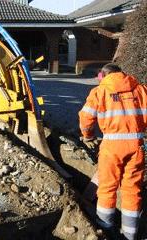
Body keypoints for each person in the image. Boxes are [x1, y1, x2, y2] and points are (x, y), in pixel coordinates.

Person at [79, 63, 146, 240]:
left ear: (104, 75)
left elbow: (85, 118)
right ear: (121, 74)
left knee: (108, 187)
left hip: (111, 147)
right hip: (136, 146)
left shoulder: (99, 92)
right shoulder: (140, 90)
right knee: (133, 190)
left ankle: (106, 229)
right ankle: (130, 235)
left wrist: (88, 135)